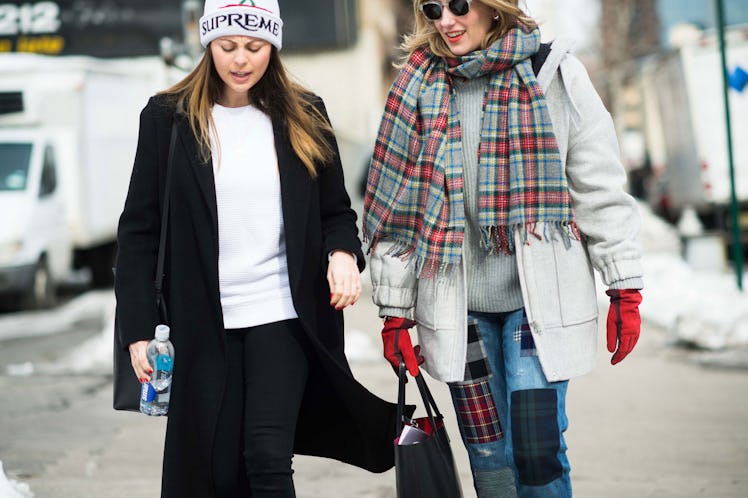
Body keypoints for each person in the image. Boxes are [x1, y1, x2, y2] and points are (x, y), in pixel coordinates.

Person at [114, 1, 403, 496]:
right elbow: (139, 231)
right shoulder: (168, 118)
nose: (241, 59)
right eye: (228, 47)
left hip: (282, 314)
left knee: (267, 455)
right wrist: (138, 331)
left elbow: (336, 211)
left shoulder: (304, 113)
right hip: (202, 321)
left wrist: (341, 255)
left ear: (274, 44)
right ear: (208, 44)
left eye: (254, 46)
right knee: (215, 467)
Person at [363, 1, 644, 497]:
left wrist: (624, 286)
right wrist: (394, 312)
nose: (446, 20)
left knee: (535, 447)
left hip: (535, 303)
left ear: (495, 7)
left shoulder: (552, 72)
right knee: (489, 457)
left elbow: (596, 184)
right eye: (433, 8)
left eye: (459, 5)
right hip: (457, 305)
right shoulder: (416, 86)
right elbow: (398, 212)